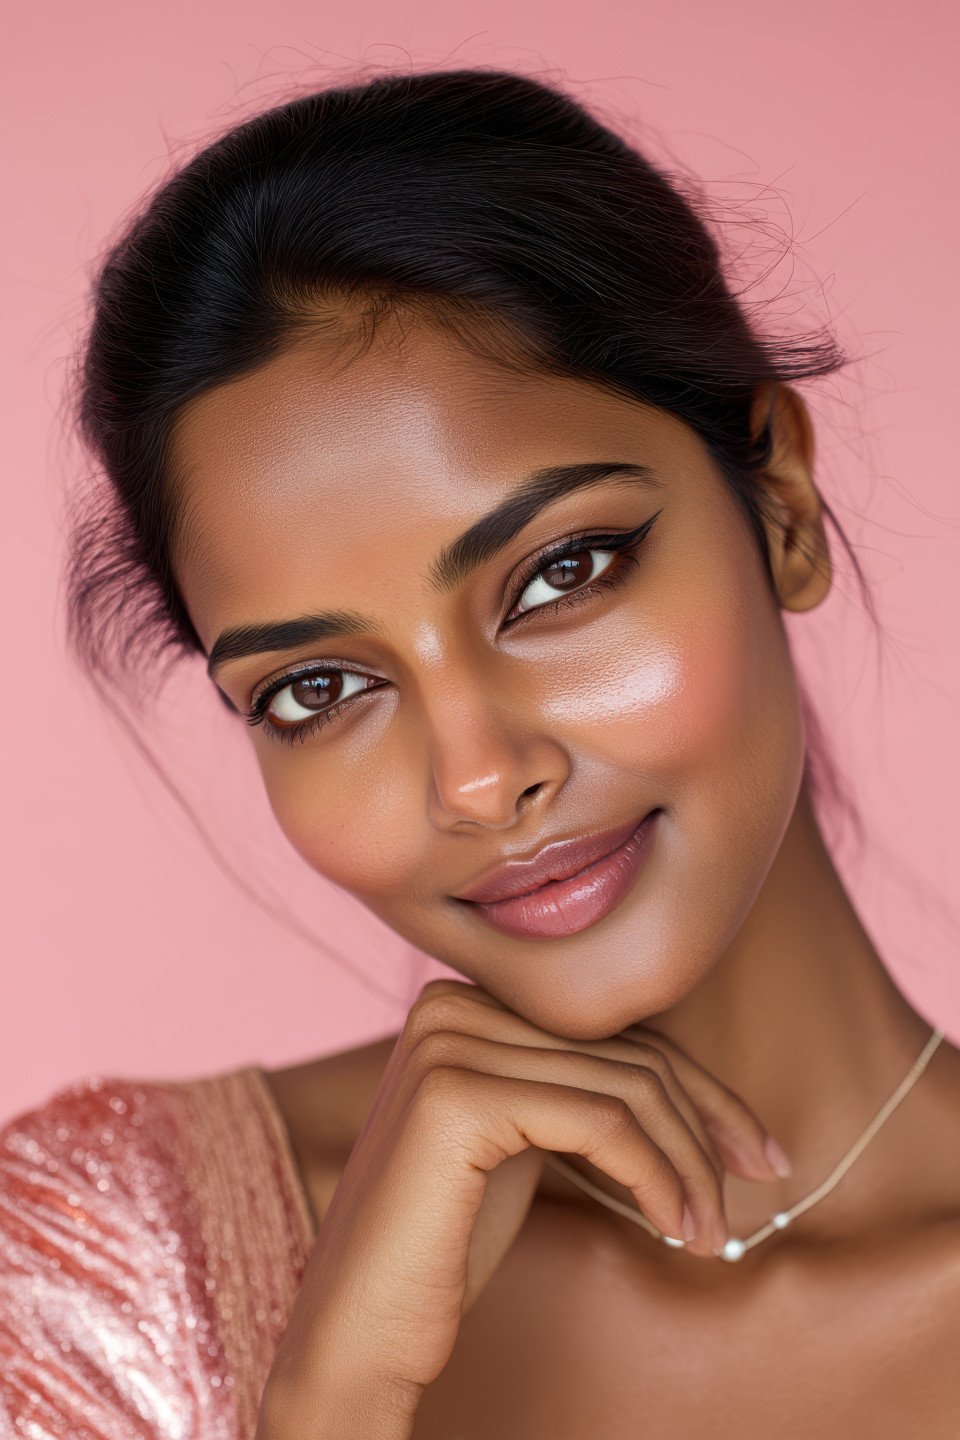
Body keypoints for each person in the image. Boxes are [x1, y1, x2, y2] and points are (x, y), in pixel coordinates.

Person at [1, 65, 957, 1440]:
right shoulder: (87, 1275)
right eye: (319, 686)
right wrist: (331, 1398)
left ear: (784, 506)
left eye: (561, 573)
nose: (475, 777)